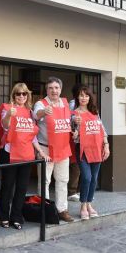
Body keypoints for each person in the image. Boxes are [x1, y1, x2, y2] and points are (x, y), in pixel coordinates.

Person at [0, 83, 49, 230]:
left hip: (27, 155)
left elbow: (32, 136)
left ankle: (16, 216)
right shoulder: (7, 108)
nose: (21, 96)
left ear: (27, 96)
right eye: (18, 94)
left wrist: (40, 151)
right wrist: (9, 114)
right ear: (13, 95)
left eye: (24, 94)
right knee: (7, 186)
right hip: (10, 154)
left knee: (21, 188)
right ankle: (3, 216)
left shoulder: (30, 112)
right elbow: (5, 126)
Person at [33, 77, 74, 222]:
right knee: (44, 181)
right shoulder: (40, 103)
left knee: (63, 180)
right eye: (50, 88)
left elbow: (70, 120)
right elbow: (36, 115)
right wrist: (44, 112)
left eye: (56, 88)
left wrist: (75, 124)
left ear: (60, 89)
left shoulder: (65, 102)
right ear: (47, 90)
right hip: (46, 149)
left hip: (63, 148)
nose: (54, 91)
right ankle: (45, 210)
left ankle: (62, 209)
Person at [72, 85, 110, 219]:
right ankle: (83, 205)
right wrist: (75, 130)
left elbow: (102, 129)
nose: (84, 98)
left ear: (89, 98)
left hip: (97, 148)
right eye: (81, 95)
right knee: (86, 177)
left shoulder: (95, 112)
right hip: (82, 149)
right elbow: (73, 136)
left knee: (94, 179)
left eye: (86, 95)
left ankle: (89, 204)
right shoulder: (74, 114)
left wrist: (106, 145)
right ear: (77, 97)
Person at [67, 83, 82, 202]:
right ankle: (72, 191)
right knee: (74, 164)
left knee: (76, 165)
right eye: (82, 94)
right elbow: (70, 120)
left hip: (81, 139)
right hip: (72, 138)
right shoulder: (72, 104)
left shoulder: (88, 107)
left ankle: (75, 190)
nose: (84, 97)